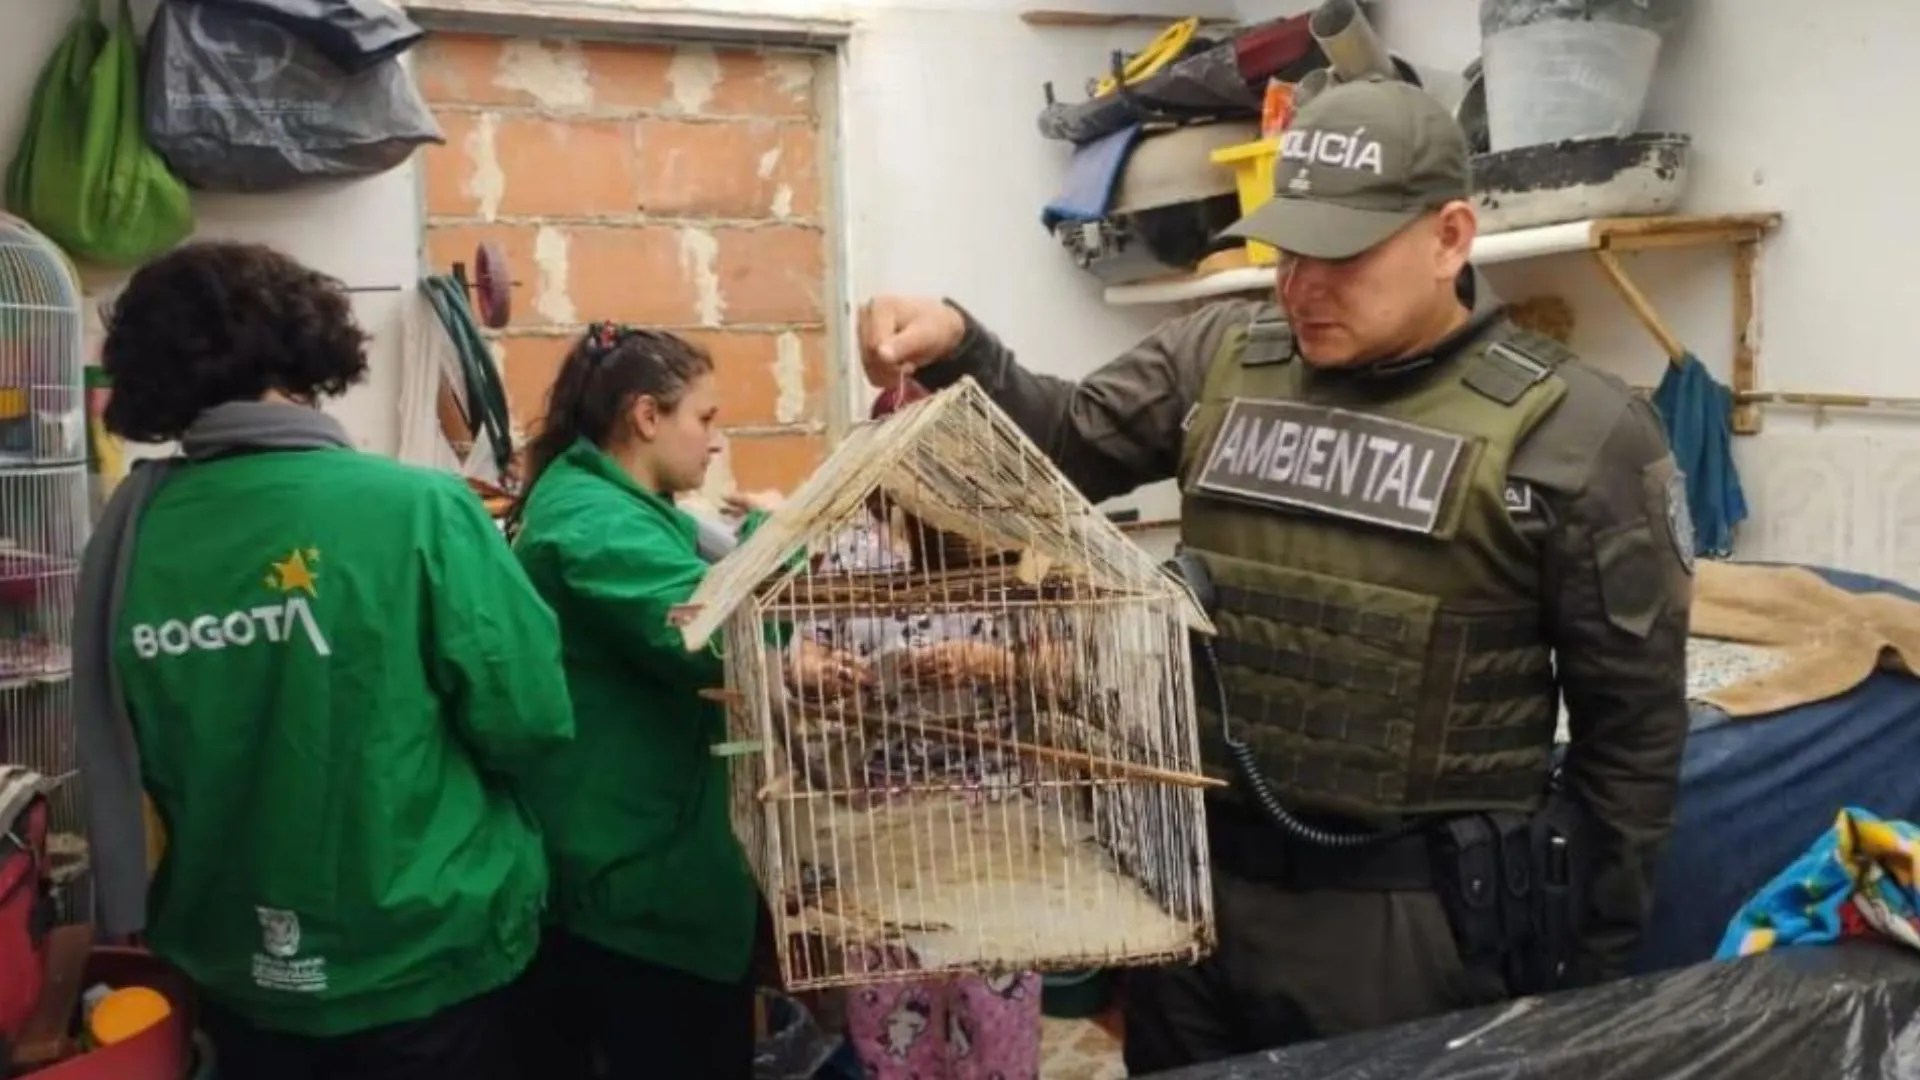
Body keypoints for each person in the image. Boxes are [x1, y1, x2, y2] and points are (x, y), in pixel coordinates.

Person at [856, 75, 1693, 1071]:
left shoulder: (1579, 435)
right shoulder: (1221, 354)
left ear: (1450, 236)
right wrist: (963, 345)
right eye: (1290, 251)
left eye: (1343, 255)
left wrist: (1583, 981)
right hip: (1199, 899)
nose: (1303, 286)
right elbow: (1067, 441)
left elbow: (1631, 743)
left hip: (1411, 928)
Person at [74, 241, 576, 1079]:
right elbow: (529, 720)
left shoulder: (129, 536)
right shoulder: (419, 509)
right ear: (311, 352)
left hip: (231, 959)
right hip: (425, 952)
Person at [506, 322, 860, 1079]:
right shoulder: (590, 522)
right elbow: (711, 631)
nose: (714, 441)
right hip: (633, 887)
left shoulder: (623, 506)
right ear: (645, 417)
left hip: (650, 857)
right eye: (704, 418)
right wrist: (784, 531)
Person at [807, 380, 1045, 1080]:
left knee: (992, 1015)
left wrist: (985, 662)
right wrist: (824, 673)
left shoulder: (1007, 545)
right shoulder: (853, 548)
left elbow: (1068, 658)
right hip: (889, 815)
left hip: (995, 817)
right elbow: (806, 646)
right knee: (892, 1019)